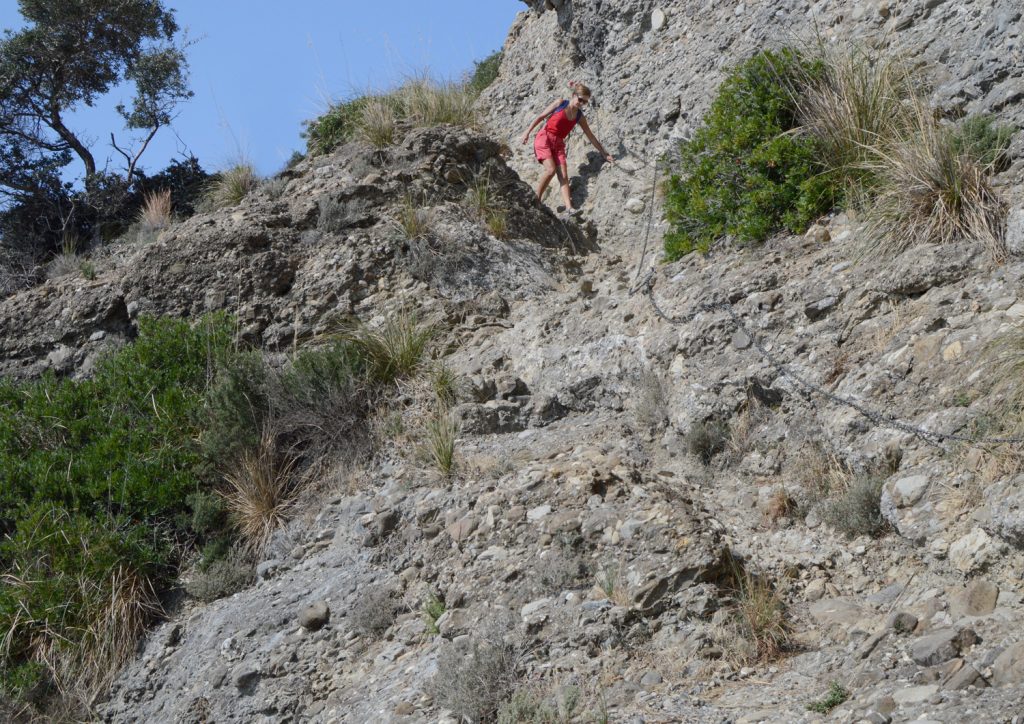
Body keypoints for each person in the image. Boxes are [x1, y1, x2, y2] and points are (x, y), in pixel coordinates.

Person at [520, 82, 614, 214]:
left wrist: (604, 153)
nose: (581, 103)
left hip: (559, 144)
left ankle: (569, 208)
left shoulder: (579, 117)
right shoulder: (560, 103)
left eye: (585, 102)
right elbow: (541, 116)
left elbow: (591, 136)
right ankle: (536, 200)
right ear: (574, 95)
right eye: (580, 99)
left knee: (563, 175)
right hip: (545, 137)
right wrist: (527, 132)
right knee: (551, 170)